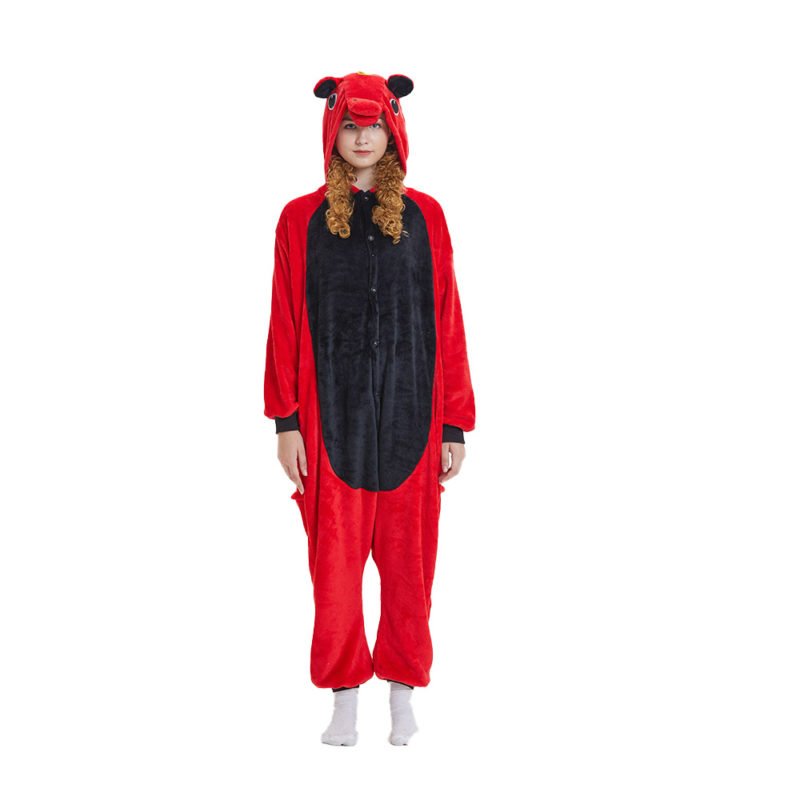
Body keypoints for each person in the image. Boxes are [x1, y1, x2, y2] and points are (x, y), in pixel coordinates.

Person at [263, 71, 476, 746]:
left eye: (374, 125)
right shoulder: (299, 219)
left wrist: (454, 422)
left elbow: (448, 318)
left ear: (393, 130)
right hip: (331, 423)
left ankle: (404, 694)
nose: (362, 138)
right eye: (351, 126)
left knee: (411, 570)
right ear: (333, 131)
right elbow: (284, 323)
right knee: (334, 571)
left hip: (413, 417)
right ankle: (344, 698)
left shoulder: (426, 216)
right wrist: (286, 421)